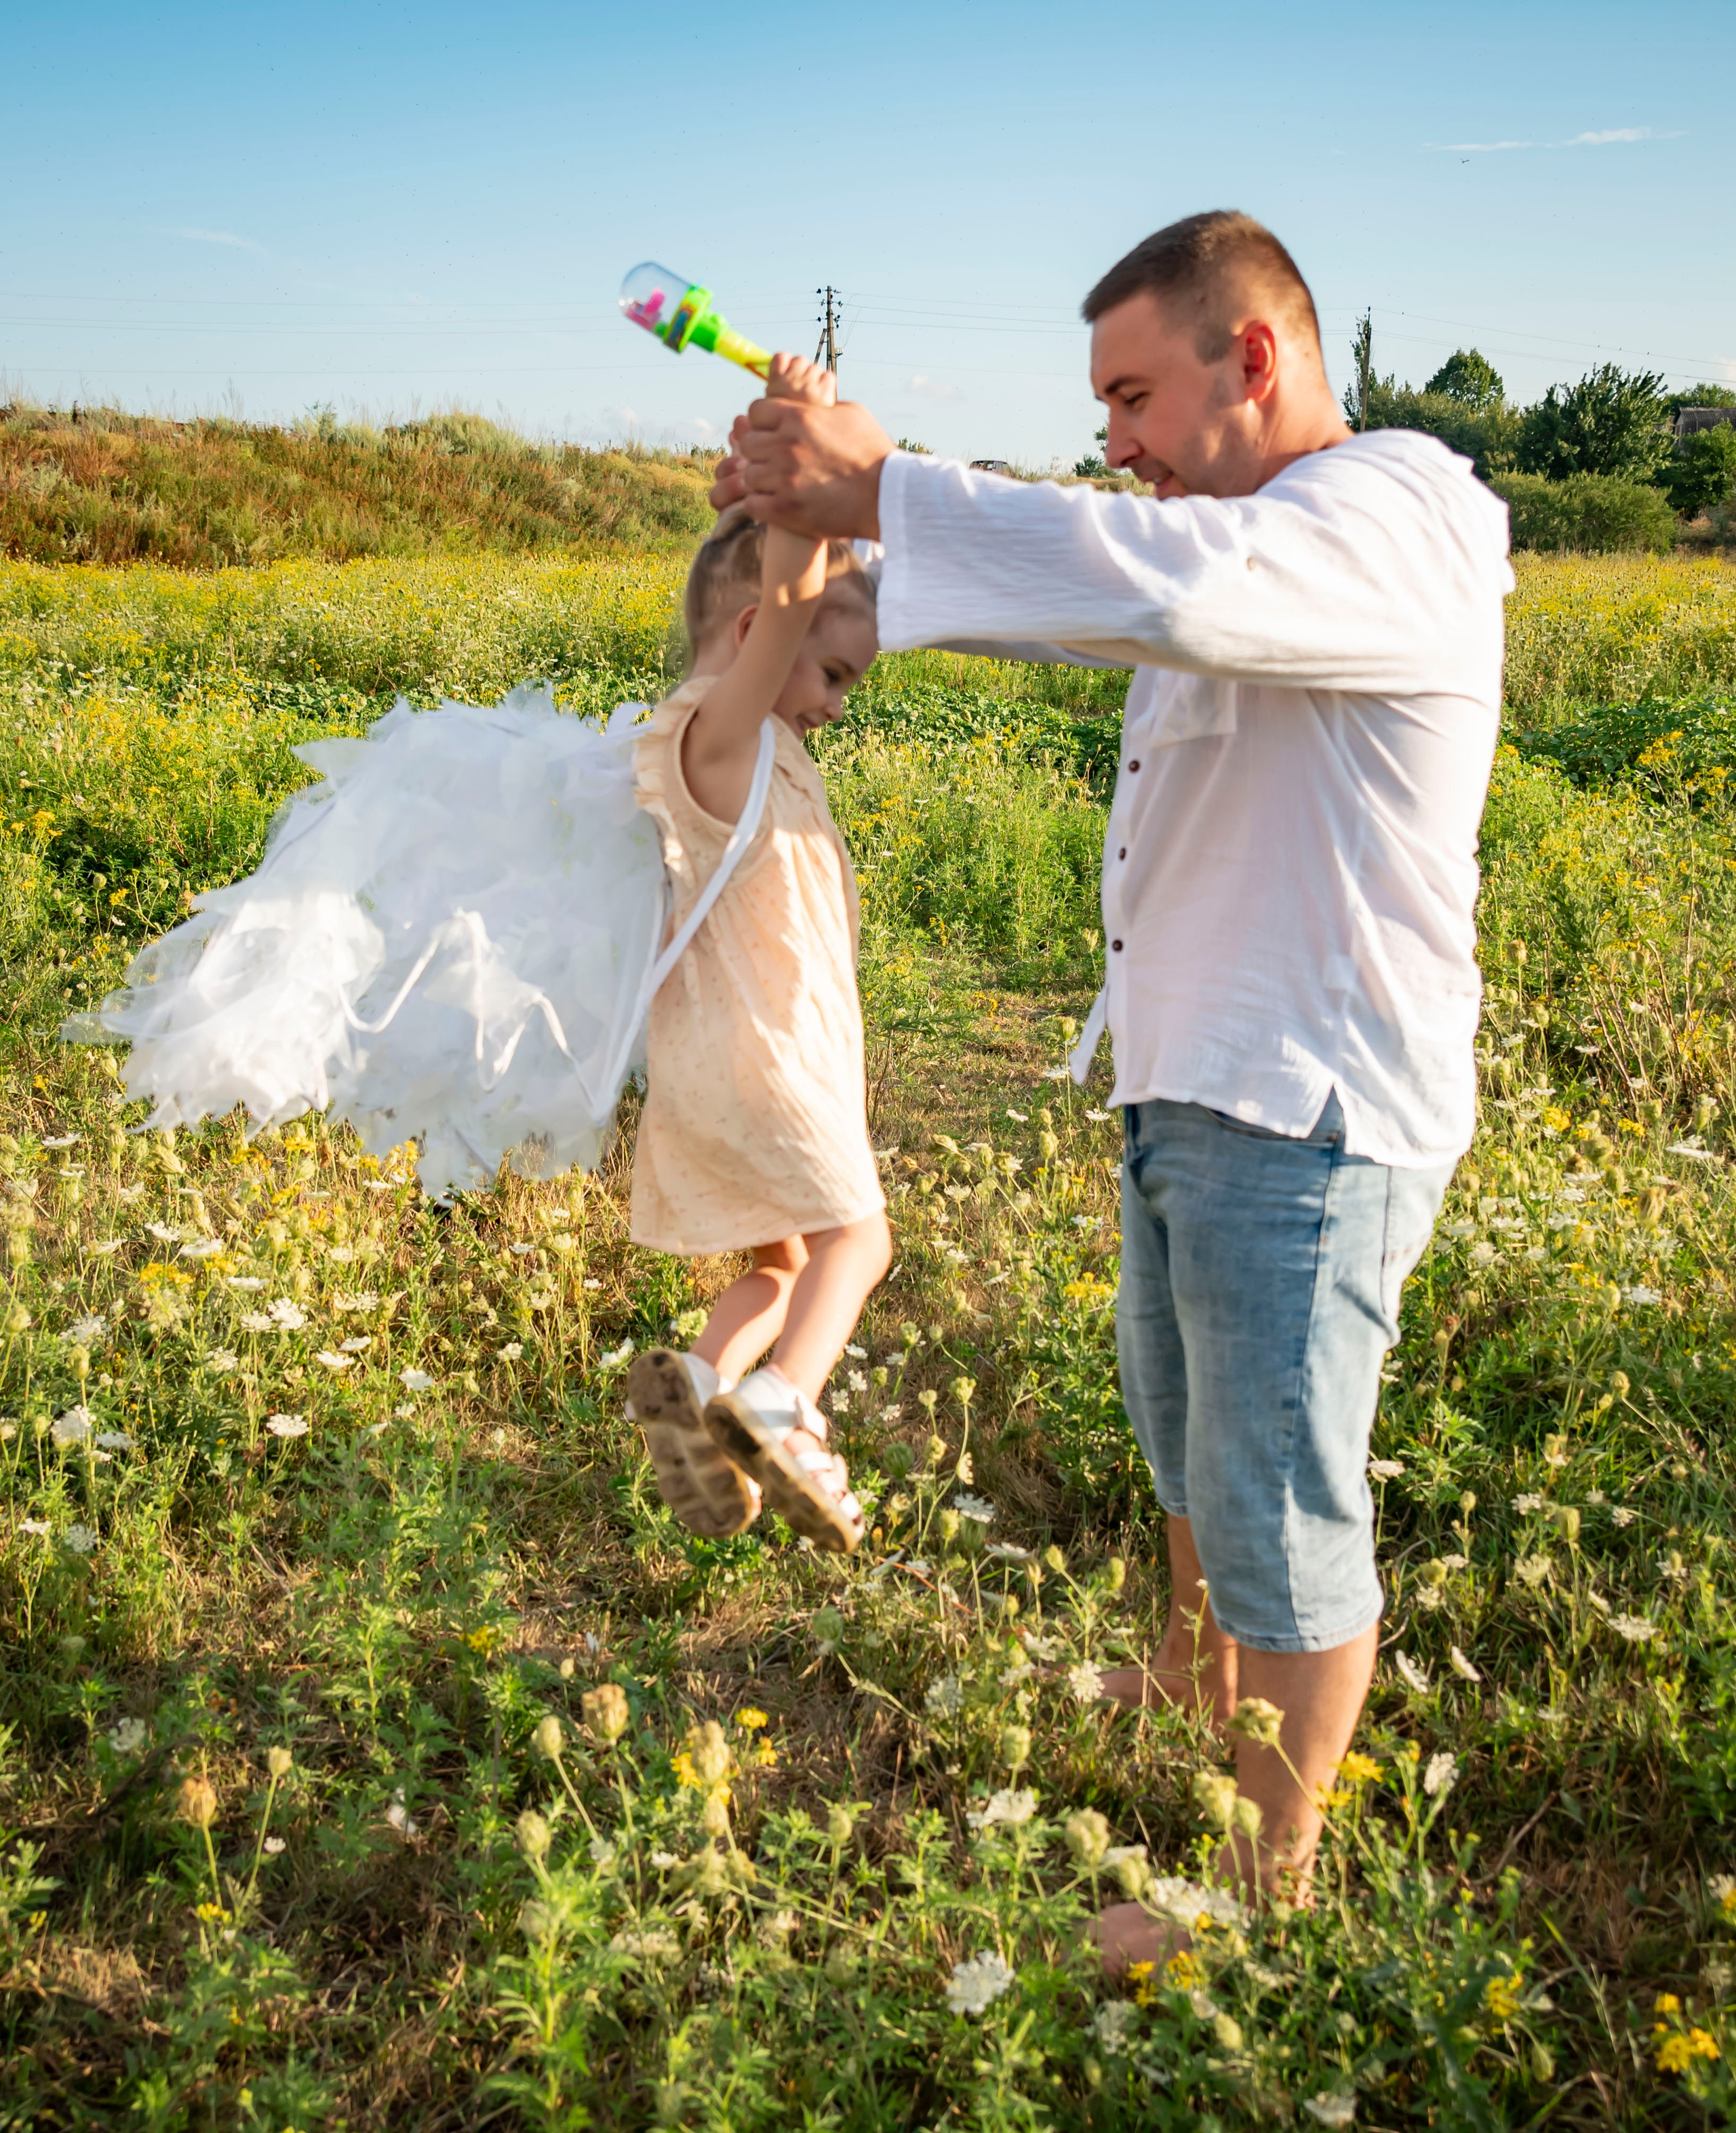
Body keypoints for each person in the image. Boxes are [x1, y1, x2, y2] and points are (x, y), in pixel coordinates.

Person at [711, 212, 1513, 1959]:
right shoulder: (1233, 540)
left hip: (1309, 1105)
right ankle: (1182, 1674)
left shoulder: (1394, 513)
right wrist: (820, 549)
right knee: (1181, 1430)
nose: (1114, 442)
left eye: (1133, 396)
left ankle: (1259, 1901)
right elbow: (1097, 595)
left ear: (1254, 357)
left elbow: (1163, 588)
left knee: (1275, 1498)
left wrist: (888, 485)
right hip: (1194, 1078)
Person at [625, 352, 890, 1557]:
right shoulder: (721, 738)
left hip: (711, 1067)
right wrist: (806, 430)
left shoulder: (739, 746)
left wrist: (797, 493)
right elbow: (787, 601)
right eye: (831, 673)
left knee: (780, 1264)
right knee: (859, 1241)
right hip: (765, 1055)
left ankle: (694, 1381)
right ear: (752, 638)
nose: (834, 701)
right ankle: (786, 1402)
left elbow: (787, 601)